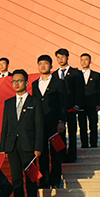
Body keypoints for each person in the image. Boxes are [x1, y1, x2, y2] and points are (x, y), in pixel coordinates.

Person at [0, 69, 43, 197]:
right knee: (16, 181)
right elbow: (5, 125)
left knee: (31, 179)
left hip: (29, 146)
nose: (16, 84)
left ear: (26, 83)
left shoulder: (34, 102)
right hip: (12, 147)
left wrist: (38, 147)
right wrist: (3, 146)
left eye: (19, 81)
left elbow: (39, 126)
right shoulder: (8, 103)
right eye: (14, 81)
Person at [30, 55, 68, 189]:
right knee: (42, 153)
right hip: (40, 125)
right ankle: (44, 180)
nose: (43, 66)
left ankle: (56, 180)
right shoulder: (35, 84)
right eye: (40, 63)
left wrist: (61, 121)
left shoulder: (59, 82)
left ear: (51, 66)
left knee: (56, 152)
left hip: (54, 123)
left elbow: (63, 103)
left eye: (45, 63)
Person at [56, 48, 84, 163]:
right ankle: (61, 156)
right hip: (59, 109)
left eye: (63, 57)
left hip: (71, 108)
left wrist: (77, 104)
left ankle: (72, 156)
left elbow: (80, 90)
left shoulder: (76, 73)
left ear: (67, 57)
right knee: (60, 133)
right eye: (58, 57)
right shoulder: (54, 75)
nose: (60, 59)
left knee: (72, 133)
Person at [78, 53, 100, 148]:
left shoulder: (96, 75)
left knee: (93, 125)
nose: (84, 62)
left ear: (90, 61)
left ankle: (94, 144)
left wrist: (99, 104)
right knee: (82, 126)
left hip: (92, 104)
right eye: (82, 60)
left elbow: (99, 91)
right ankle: (84, 144)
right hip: (81, 105)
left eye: (86, 59)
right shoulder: (77, 75)